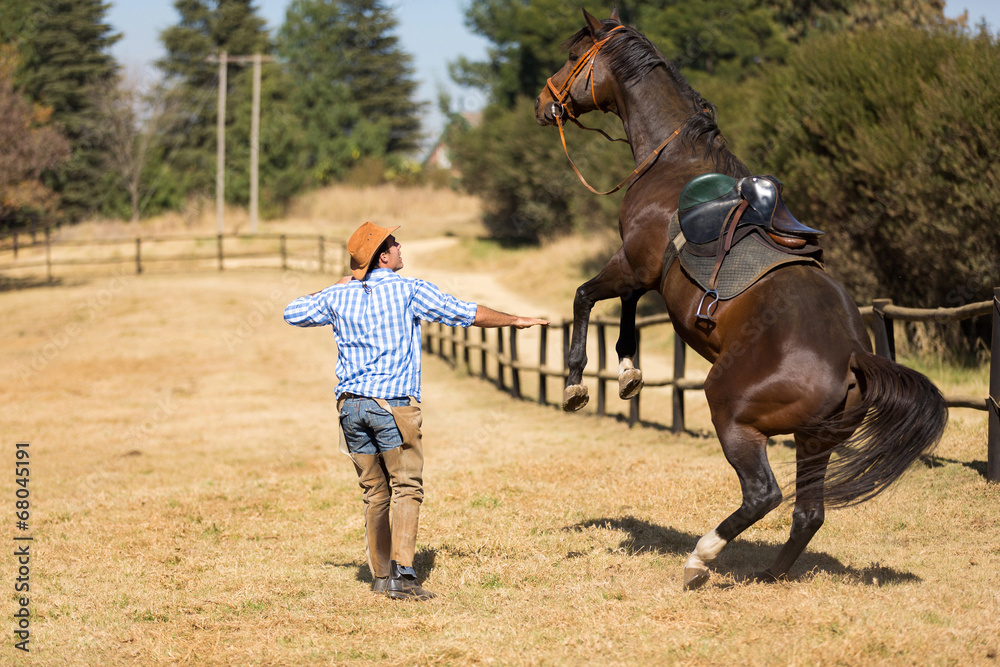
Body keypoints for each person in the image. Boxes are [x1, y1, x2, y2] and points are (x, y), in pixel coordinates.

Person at [284, 221, 548, 601]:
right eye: (393, 242)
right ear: (384, 256)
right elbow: (465, 312)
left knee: (374, 492)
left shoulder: (337, 297)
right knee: (406, 487)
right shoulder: (409, 290)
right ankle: (403, 576)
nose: (400, 245)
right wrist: (516, 320)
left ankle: (380, 575)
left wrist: (339, 285)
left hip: (350, 409)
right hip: (392, 408)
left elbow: (292, 312)